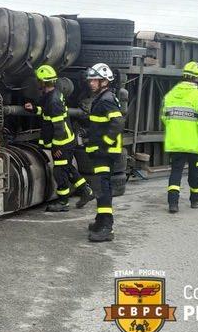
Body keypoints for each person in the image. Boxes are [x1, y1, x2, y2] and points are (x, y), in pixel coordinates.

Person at [24, 65, 95, 212]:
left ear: (43, 82)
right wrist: (34, 109)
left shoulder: (53, 100)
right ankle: (86, 191)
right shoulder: (52, 95)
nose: (37, 83)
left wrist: (56, 148)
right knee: (67, 167)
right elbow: (46, 113)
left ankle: (63, 202)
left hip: (62, 142)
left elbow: (59, 128)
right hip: (66, 140)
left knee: (59, 171)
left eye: (39, 81)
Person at [160, 61, 198, 212]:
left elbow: (165, 118)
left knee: (176, 171)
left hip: (176, 142)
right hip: (194, 144)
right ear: (197, 78)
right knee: (194, 171)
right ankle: (195, 200)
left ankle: (173, 204)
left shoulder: (170, 95)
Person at [83, 63, 124, 242]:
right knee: (101, 187)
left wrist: (104, 143)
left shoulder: (106, 100)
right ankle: (100, 222)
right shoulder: (102, 98)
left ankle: (106, 227)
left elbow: (118, 123)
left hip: (105, 153)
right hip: (101, 152)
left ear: (104, 81)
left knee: (103, 188)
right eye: (90, 79)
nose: (91, 83)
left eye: (95, 80)